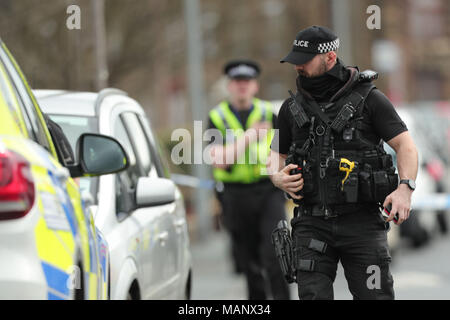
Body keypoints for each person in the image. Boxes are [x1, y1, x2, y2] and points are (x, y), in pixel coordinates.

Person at [268, 25, 418, 300]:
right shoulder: (290, 108)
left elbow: (405, 146)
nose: (297, 67)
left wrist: (405, 188)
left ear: (330, 57)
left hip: (362, 224)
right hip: (312, 224)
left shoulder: (370, 99)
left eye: (305, 60)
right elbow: (274, 157)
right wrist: (277, 177)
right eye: (295, 61)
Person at [207, 60, 291, 300]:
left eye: (247, 82)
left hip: (268, 192)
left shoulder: (270, 114)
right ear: (229, 86)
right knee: (248, 262)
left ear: (255, 86)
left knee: (276, 252)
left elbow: (283, 156)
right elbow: (219, 161)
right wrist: (250, 135)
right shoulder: (217, 117)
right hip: (235, 196)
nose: (242, 86)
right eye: (237, 82)